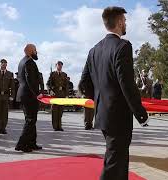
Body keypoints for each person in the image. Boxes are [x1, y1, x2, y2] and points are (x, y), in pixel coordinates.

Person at [79, 6, 148, 180]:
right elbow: (127, 84)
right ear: (118, 22)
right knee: (114, 162)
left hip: (103, 114)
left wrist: (100, 100)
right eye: (124, 20)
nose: (126, 24)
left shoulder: (93, 50)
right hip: (118, 116)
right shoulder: (123, 46)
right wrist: (140, 113)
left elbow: (83, 83)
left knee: (120, 158)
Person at [15, 44, 43, 152]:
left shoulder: (22, 61)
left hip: (24, 94)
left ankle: (32, 143)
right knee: (30, 120)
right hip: (29, 95)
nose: (36, 52)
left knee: (31, 119)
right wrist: (37, 94)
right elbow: (30, 80)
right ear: (31, 51)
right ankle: (21, 145)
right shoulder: (29, 62)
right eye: (35, 50)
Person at [47, 61, 69, 131]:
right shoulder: (52, 74)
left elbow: (66, 85)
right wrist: (50, 91)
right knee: (55, 111)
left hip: (62, 94)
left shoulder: (64, 74)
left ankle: (60, 126)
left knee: (60, 111)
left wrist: (66, 94)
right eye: (58, 65)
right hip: (55, 94)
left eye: (61, 65)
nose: (59, 66)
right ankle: (55, 126)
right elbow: (48, 84)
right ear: (56, 66)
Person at [0, 59, 15, 134]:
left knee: (5, 112)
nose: (3, 64)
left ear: (6, 64)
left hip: (6, 95)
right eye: (2, 63)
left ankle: (3, 128)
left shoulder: (10, 74)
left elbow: (13, 86)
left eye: (5, 63)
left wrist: (12, 95)